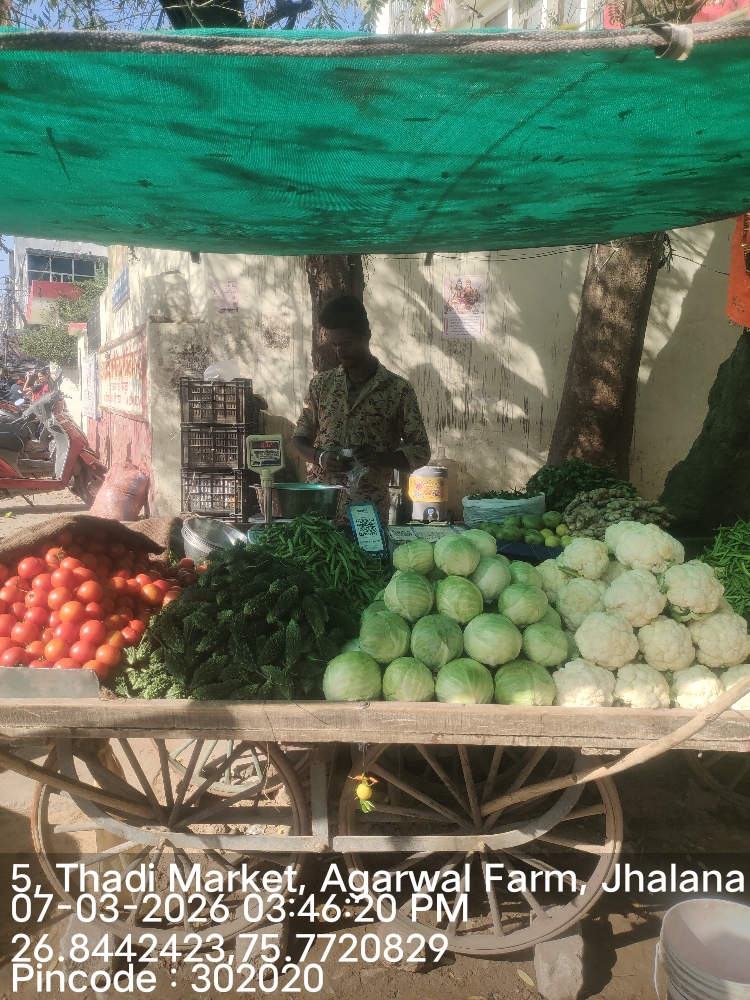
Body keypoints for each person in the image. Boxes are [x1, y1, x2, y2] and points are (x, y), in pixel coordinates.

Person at [291, 296, 431, 519]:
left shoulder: (397, 390)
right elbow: (298, 440)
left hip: (368, 510)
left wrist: (380, 458)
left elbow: (421, 451)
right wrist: (320, 457)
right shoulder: (321, 385)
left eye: (346, 344)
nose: (340, 352)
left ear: (366, 336)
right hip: (319, 510)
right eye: (334, 344)